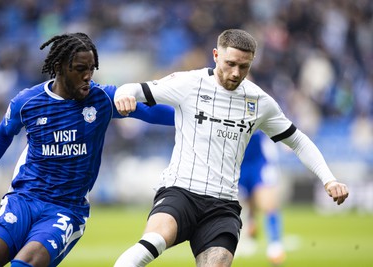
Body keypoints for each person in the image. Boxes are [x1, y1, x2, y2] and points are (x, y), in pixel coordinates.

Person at [113, 29, 349, 267]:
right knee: (152, 243)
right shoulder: (188, 83)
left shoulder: (259, 102)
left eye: (244, 67)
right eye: (230, 63)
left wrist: (329, 180)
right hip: (181, 191)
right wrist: (123, 95)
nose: (236, 73)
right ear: (216, 55)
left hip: (222, 204)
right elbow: (135, 89)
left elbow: (297, 140)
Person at [0, 32, 174, 267]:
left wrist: (193, 118)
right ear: (59, 67)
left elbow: (151, 112)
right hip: (24, 198)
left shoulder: (102, 99)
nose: (88, 76)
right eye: (80, 69)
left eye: (91, 68)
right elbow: (2, 134)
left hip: (65, 209)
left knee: (25, 262)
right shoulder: (28, 102)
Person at [237, 130, 285, 265]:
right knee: (246, 203)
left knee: (268, 202)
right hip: (238, 162)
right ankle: (250, 231)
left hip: (259, 162)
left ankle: (275, 245)